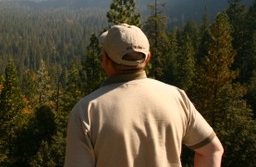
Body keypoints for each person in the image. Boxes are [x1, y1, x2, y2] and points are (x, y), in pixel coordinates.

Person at [64, 23, 223, 167]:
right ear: (147, 57)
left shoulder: (87, 110)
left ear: (104, 59)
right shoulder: (177, 97)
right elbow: (213, 150)